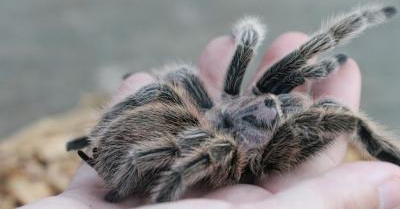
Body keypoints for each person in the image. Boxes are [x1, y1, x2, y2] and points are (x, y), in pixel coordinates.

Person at [21, 32, 400, 209]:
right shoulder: (227, 147)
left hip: (186, 133)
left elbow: (175, 87)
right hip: (185, 150)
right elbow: (206, 144)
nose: (275, 99)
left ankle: (97, 140)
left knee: (171, 83)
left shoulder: (218, 104)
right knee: (344, 118)